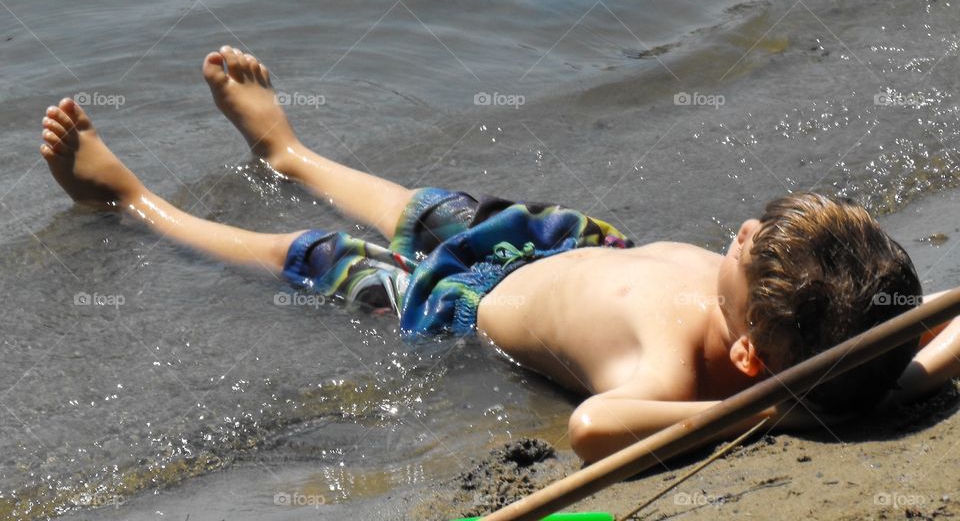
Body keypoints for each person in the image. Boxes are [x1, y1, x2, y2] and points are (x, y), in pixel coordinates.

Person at [40, 46, 960, 463]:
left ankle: (133, 200)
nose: (745, 232)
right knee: (426, 203)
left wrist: (775, 416)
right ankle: (291, 154)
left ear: (754, 358)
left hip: (458, 304)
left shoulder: (683, 375)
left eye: (747, 252)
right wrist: (883, 377)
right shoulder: (873, 357)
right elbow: (931, 335)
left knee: (307, 252)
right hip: (570, 244)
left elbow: (595, 430)